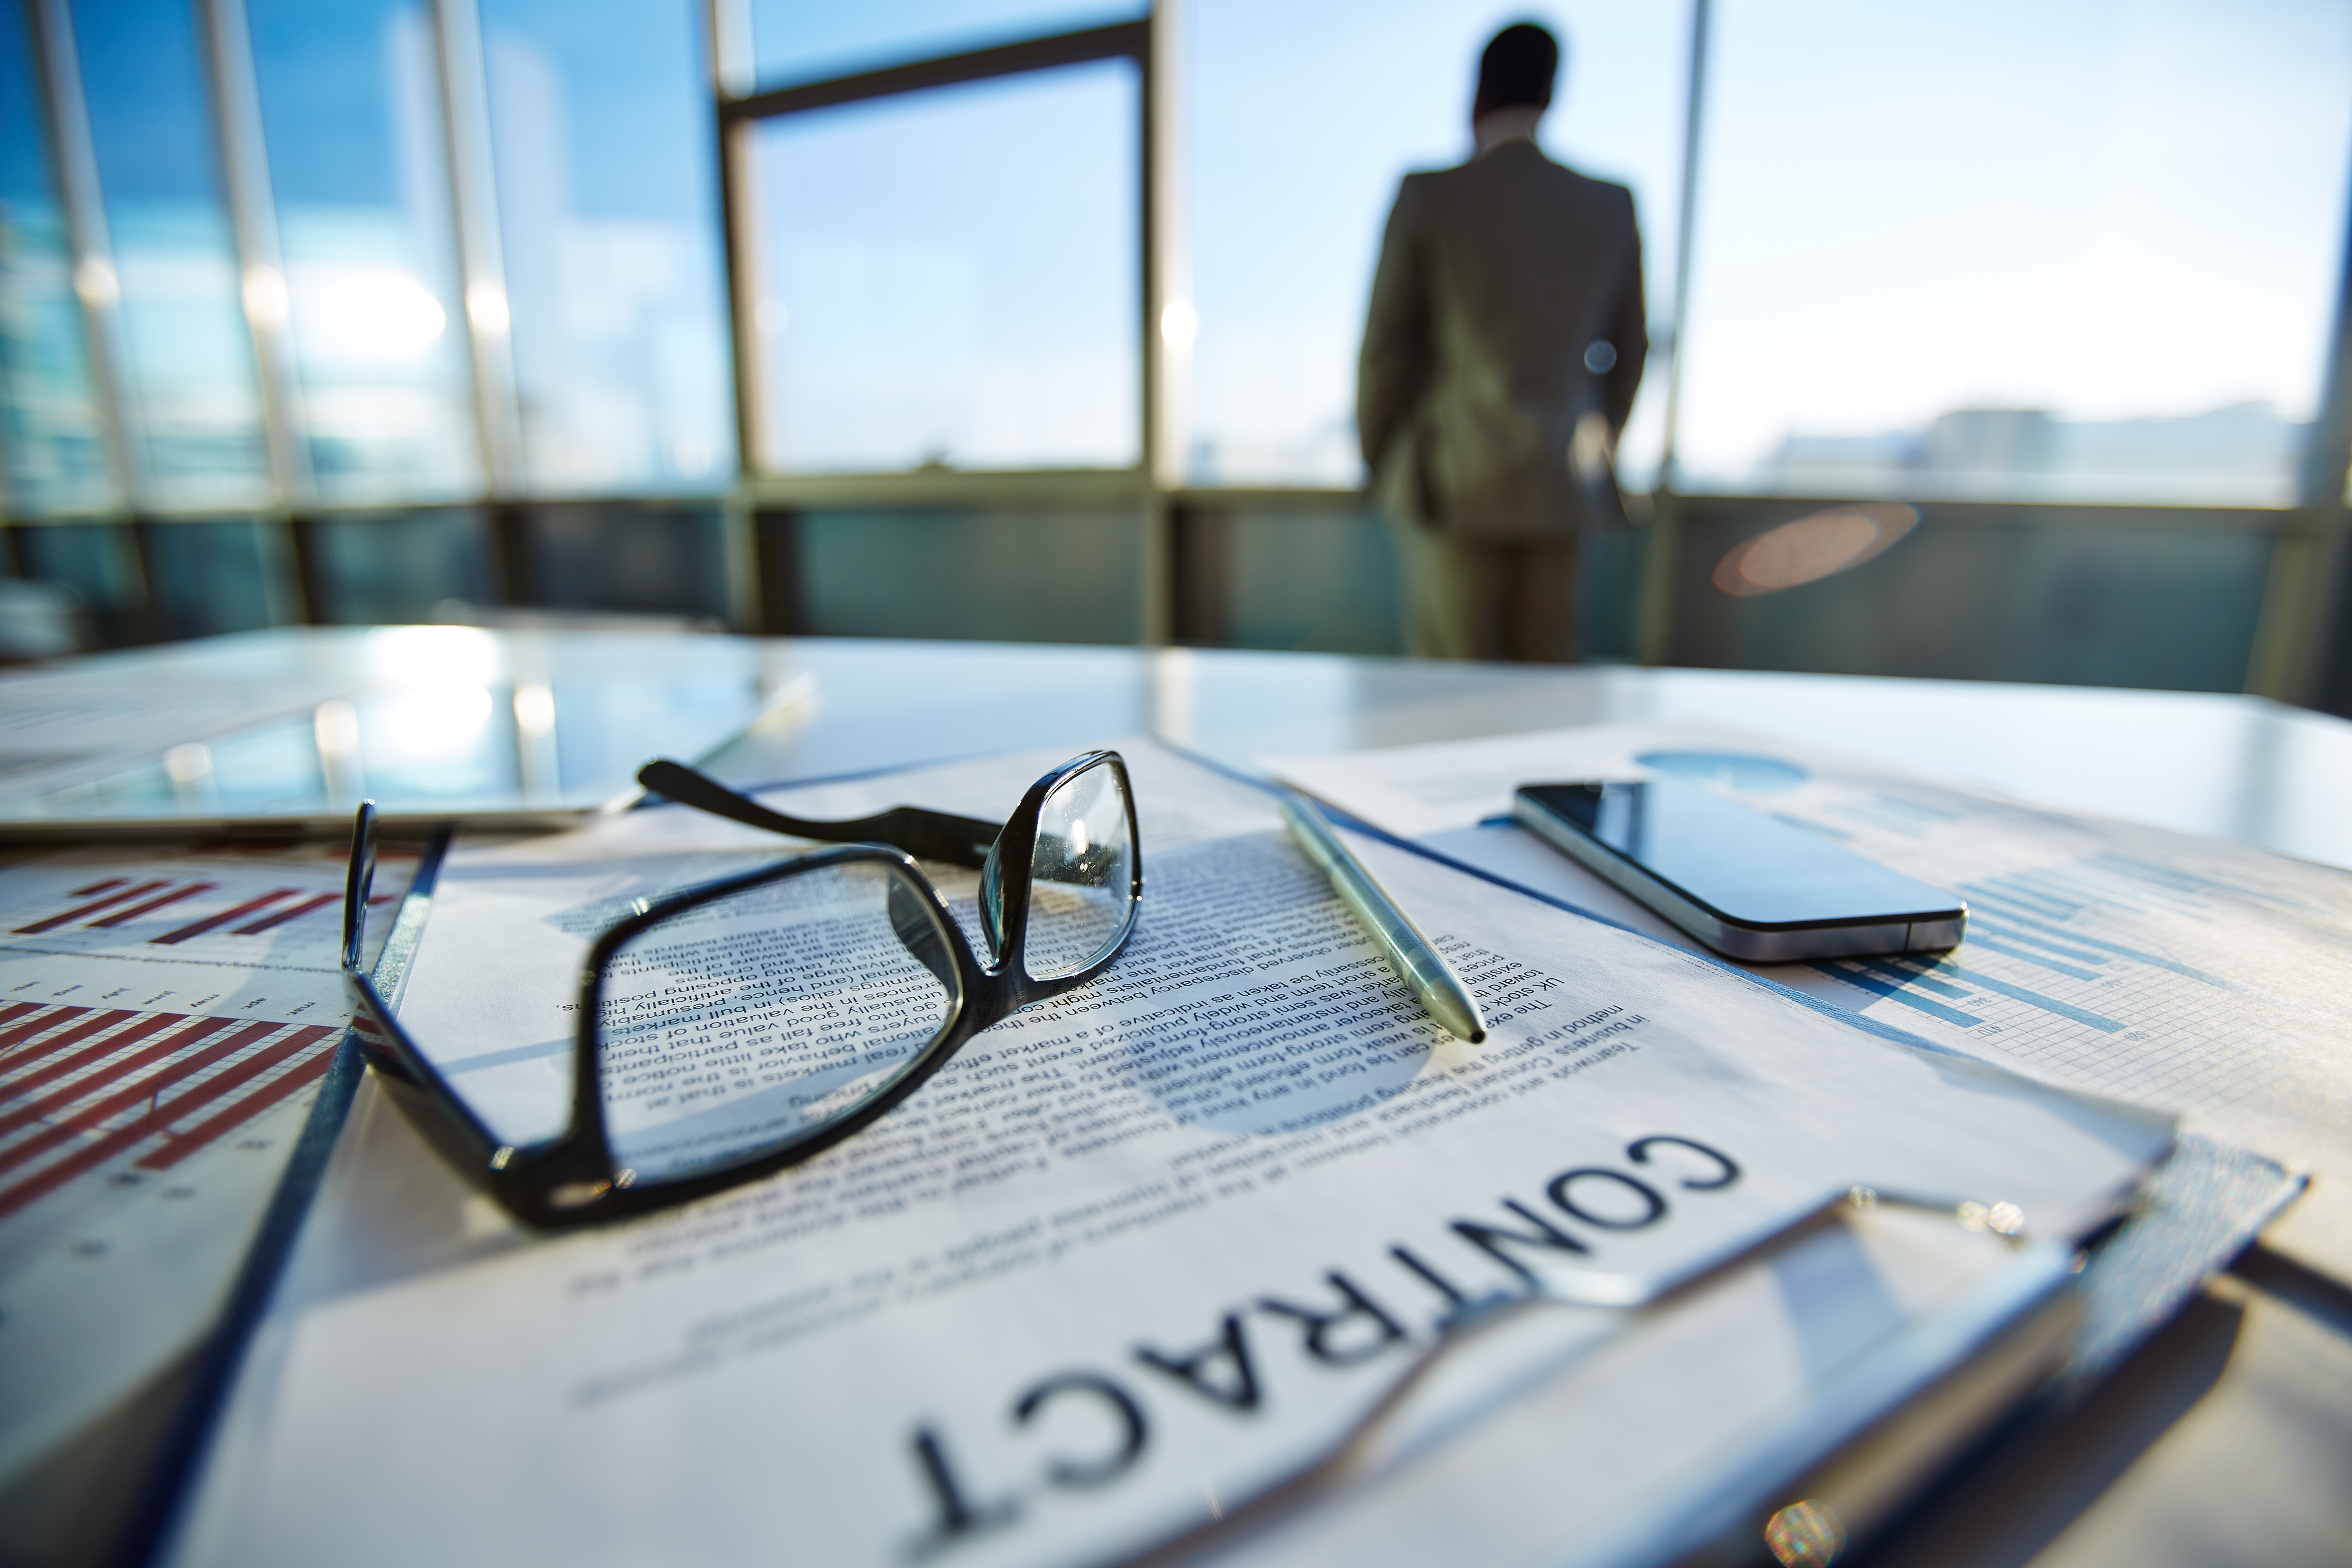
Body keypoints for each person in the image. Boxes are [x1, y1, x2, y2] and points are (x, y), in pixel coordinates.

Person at [1357, 21, 1646, 662]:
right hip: (1565, 484)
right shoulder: (1610, 204)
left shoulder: (1430, 195)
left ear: (1478, 93)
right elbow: (1632, 350)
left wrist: (1387, 464)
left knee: (1449, 694)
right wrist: (1596, 445)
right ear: (1550, 94)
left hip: (1452, 482)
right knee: (1548, 695)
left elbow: (1386, 349)